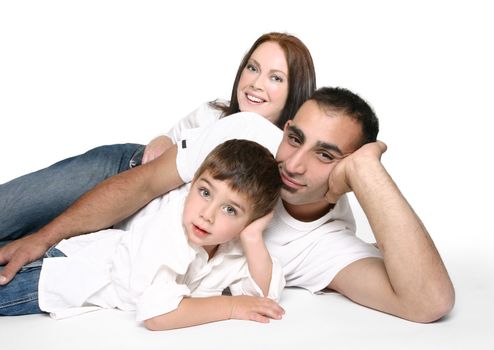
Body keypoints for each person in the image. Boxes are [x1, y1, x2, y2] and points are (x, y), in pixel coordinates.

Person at [0, 86, 455, 323]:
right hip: (123, 173)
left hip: (105, 264)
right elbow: (142, 185)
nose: (292, 163)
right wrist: (41, 238)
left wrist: (369, 170)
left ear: (349, 172)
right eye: (295, 138)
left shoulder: (326, 245)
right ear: (287, 126)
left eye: (325, 155)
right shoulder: (251, 133)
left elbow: (429, 302)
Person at [0, 31, 315, 244]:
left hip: (123, 236)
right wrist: (164, 139)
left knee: (21, 249)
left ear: (294, 90)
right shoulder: (213, 114)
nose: (256, 83)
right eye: (252, 68)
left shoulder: (288, 163)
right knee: (12, 209)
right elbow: (170, 139)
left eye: (275, 77)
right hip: (123, 170)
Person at [0, 139, 286, 330]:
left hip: (71, 276)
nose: (207, 214)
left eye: (230, 210)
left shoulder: (232, 243)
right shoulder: (171, 226)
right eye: (205, 192)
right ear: (194, 182)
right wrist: (232, 306)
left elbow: (264, 296)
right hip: (58, 274)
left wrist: (252, 238)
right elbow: (156, 314)